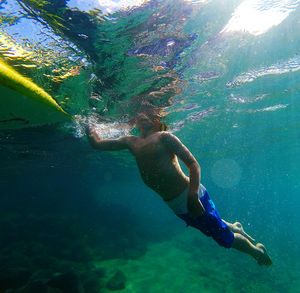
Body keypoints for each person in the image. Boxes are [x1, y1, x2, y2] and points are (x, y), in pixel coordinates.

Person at [87, 113, 272, 266]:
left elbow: (193, 165)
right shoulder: (130, 142)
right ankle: (235, 226)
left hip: (190, 195)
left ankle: (256, 252)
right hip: (175, 204)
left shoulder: (165, 137)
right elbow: (96, 143)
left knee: (220, 236)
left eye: (149, 113)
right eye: (140, 113)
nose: (143, 115)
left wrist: (192, 197)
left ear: (158, 119)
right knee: (210, 228)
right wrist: (88, 123)